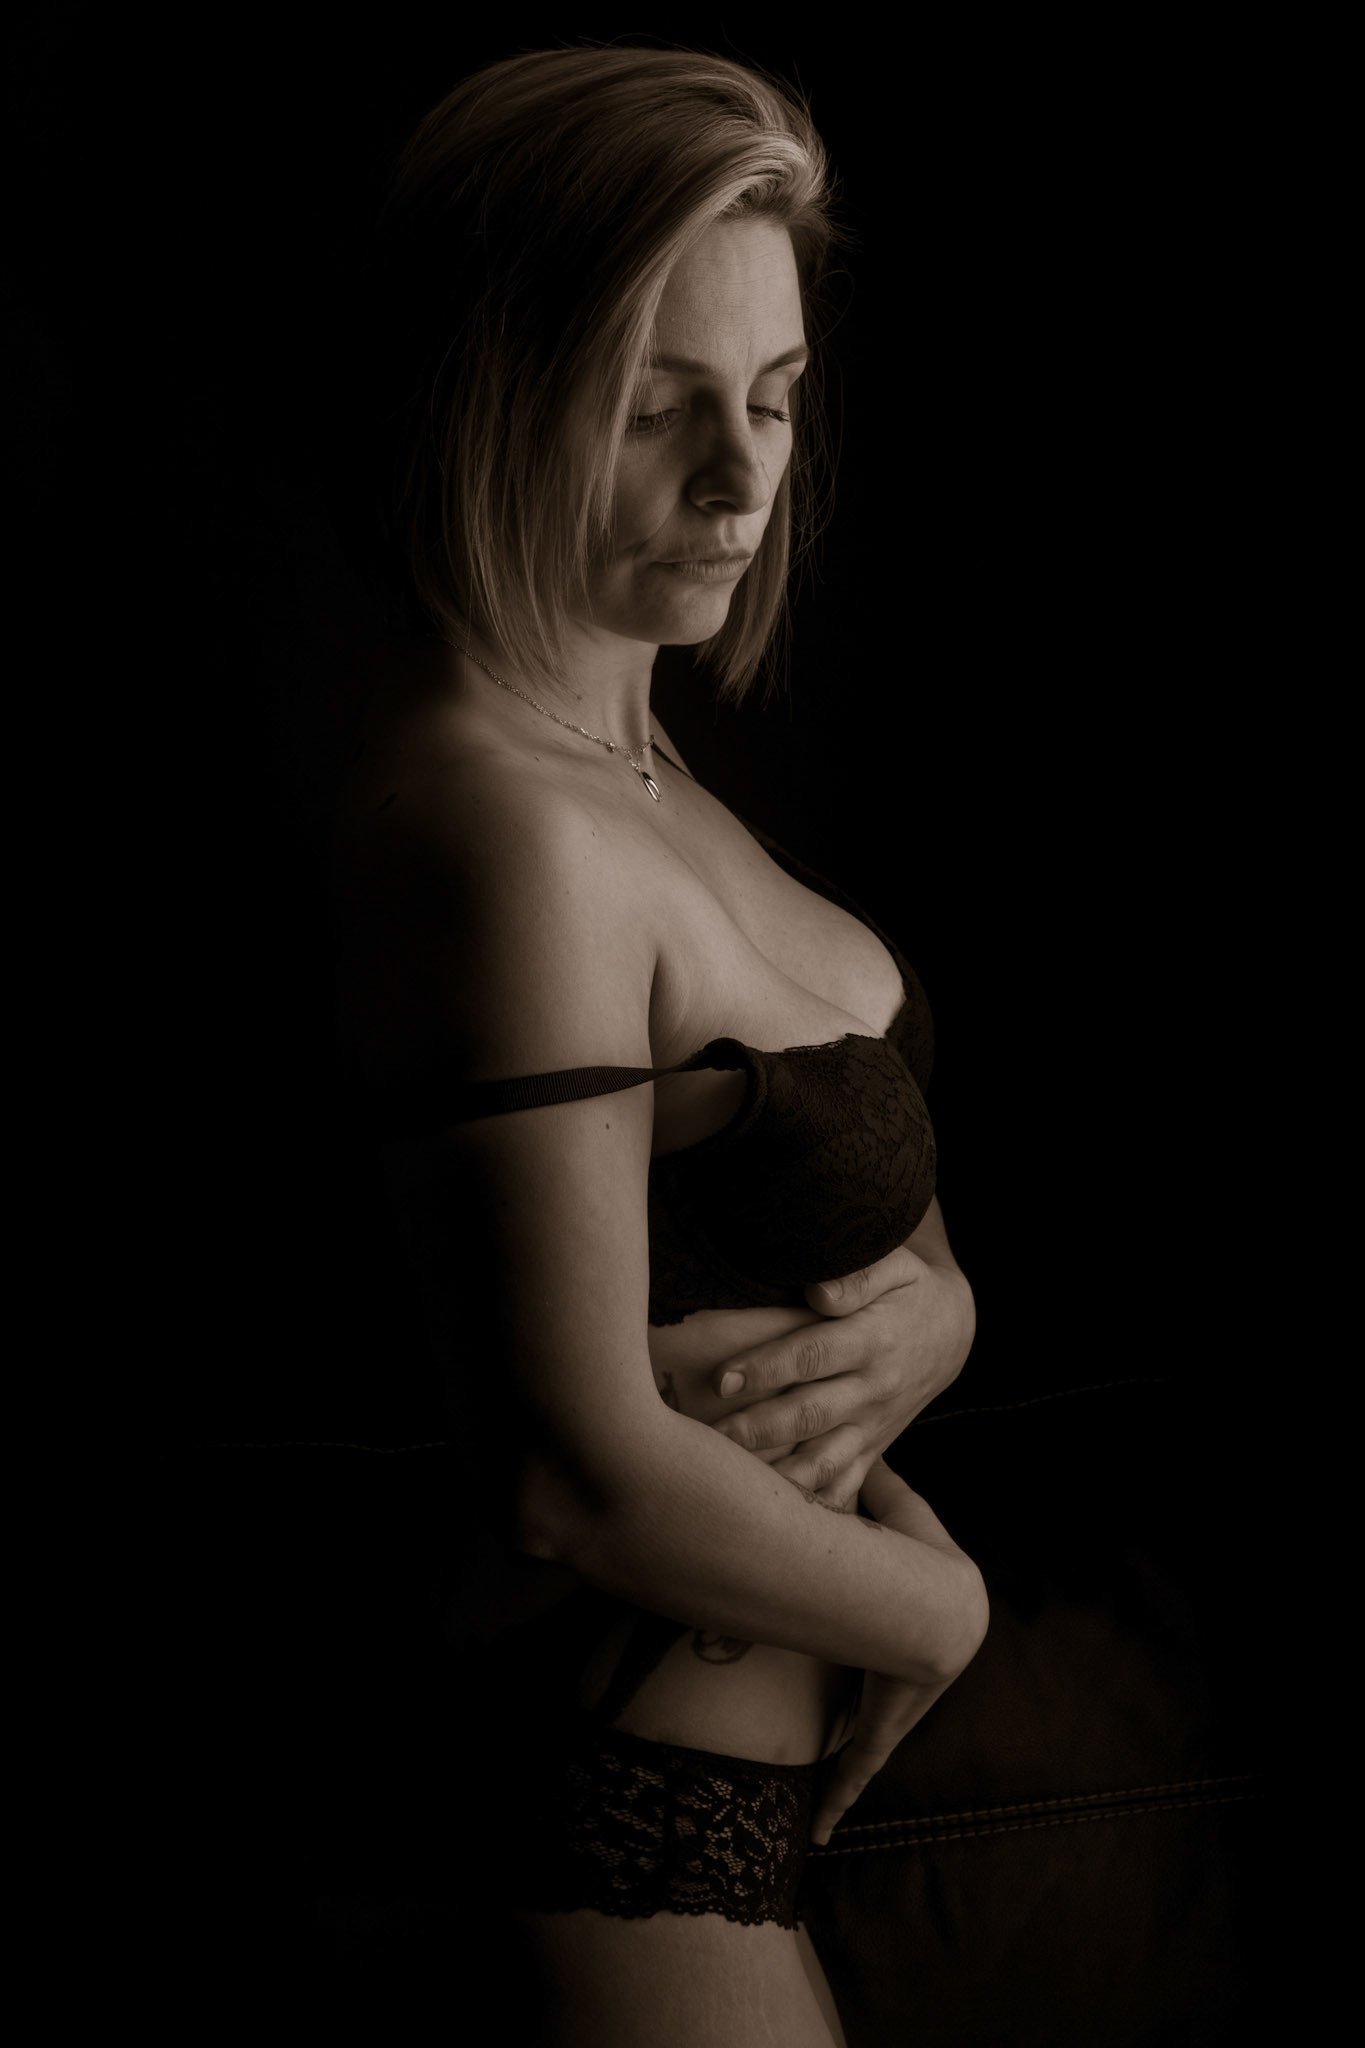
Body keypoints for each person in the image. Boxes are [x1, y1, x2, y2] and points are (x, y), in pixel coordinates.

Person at [328, 44, 987, 2047]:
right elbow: (568, 1474)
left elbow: (834, 1225)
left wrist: (945, 1317)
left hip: (701, 1808)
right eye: (656, 408)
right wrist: (938, 1606)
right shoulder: (503, 831)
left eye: (771, 399)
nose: (739, 479)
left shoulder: (638, 772)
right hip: (600, 1810)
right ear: (486, 398)